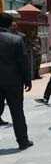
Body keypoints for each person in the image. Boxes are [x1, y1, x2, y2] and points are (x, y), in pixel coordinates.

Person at [0, 13, 33, 150]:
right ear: (10, 24)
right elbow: (23, 63)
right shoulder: (16, 40)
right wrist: (27, 80)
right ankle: (23, 141)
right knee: (17, 112)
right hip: (13, 82)